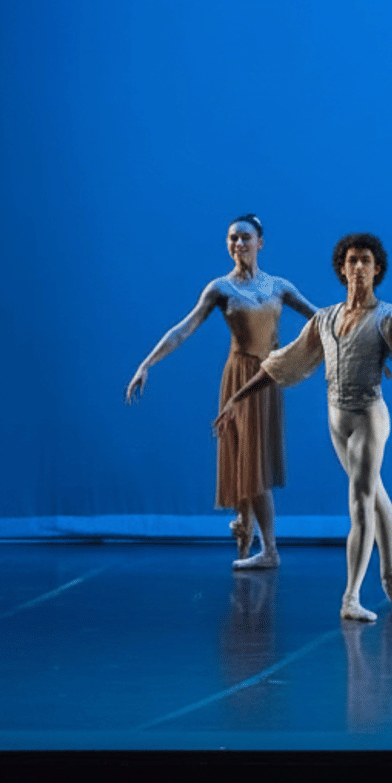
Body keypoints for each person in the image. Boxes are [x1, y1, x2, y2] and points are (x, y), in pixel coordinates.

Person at [216, 233, 392, 622]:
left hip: (368, 418)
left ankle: (351, 597)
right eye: (352, 260)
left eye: (366, 261)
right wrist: (237, 398)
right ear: (342, 269)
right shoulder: (325, 319)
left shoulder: (389, 317)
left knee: (360, 500)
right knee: (375, 494)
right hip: (336, 419)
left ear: (377, 269)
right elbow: (281, 362)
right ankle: (390, 570)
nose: (358, 267)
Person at [126, 215, 317, 569]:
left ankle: (263, 545)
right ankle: (250, 532)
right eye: (232, 238)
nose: (238, 244)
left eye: (245, 237)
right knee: (244, 457)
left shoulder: (279, 286)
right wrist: (147, 364)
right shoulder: (220, 288)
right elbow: (183, 329)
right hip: (239, 378)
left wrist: (361, 343)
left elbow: (320, 319)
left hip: (267, 377)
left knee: (255, 461)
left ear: (260, 242)